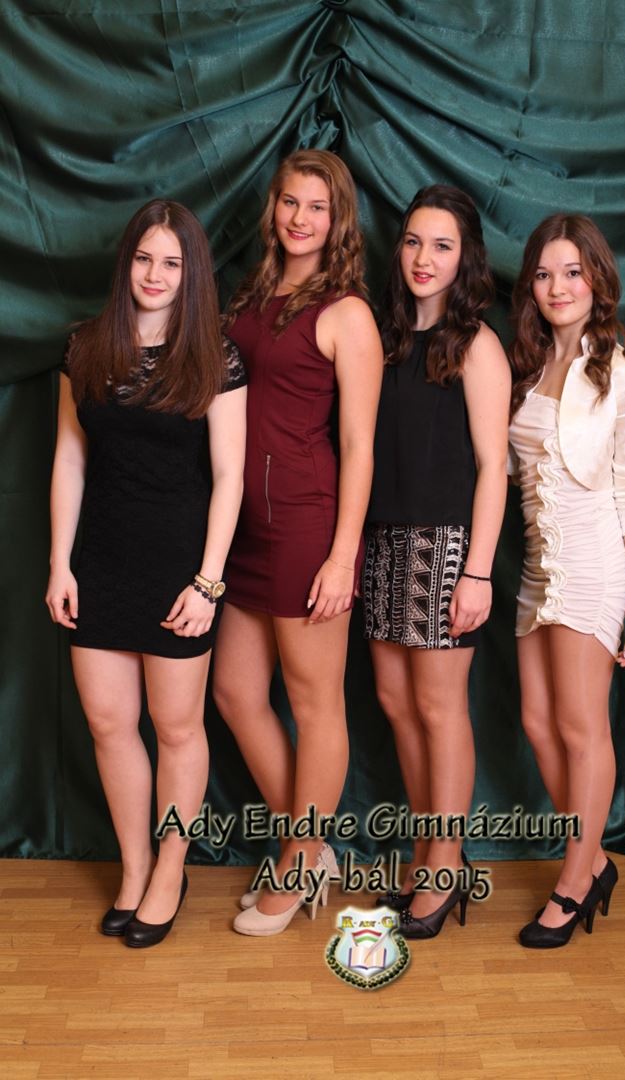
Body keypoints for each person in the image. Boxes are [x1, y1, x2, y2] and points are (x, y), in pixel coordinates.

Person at [46, 199, 247, 948]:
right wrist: (60, 564)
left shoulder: (216, 356)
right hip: (100, 561)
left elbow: (229, 477)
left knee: (176, 727)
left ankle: (170, 869)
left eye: (172, 262)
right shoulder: (85, 347)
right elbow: (70, 460)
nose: (155, 274)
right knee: (109, 723)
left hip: (179, 568)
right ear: (125, 262)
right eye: (144, 258)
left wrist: (208, 582)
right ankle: (134, 869)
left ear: (192, 273)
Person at [213, 149, 383, 936]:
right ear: (273, 207)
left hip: (307, 526)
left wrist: (343, 555)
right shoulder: (253, 293)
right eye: (290, 201)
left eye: (317, 206)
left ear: (337, 218)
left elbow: (360, 444)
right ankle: (309, 847)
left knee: (315, 706)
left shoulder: (347, 313)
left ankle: (298, 859)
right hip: (243, 525)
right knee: (235, 694)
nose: (300, 217)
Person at [508, 213, 625, 948]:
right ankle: (595, 859)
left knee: (580, 727)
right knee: (539, 723)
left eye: (572, 272)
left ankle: (573, 883)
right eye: (544, 274)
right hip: (538, 565)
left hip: (596, 564)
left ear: (597, 279)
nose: (558, 287)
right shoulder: (526, 365)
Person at [363, 184, 511, 939]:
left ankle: (445, 869)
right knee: (395, 702)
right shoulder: (386, 338)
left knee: (438, 707)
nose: (424, 258)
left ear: (465, 258)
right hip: (382, 539)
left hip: (445, 545)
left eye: (443, 245)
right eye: (415, 242)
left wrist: (477, 571)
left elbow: (494, 468)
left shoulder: (475, 343)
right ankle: (429, 855)